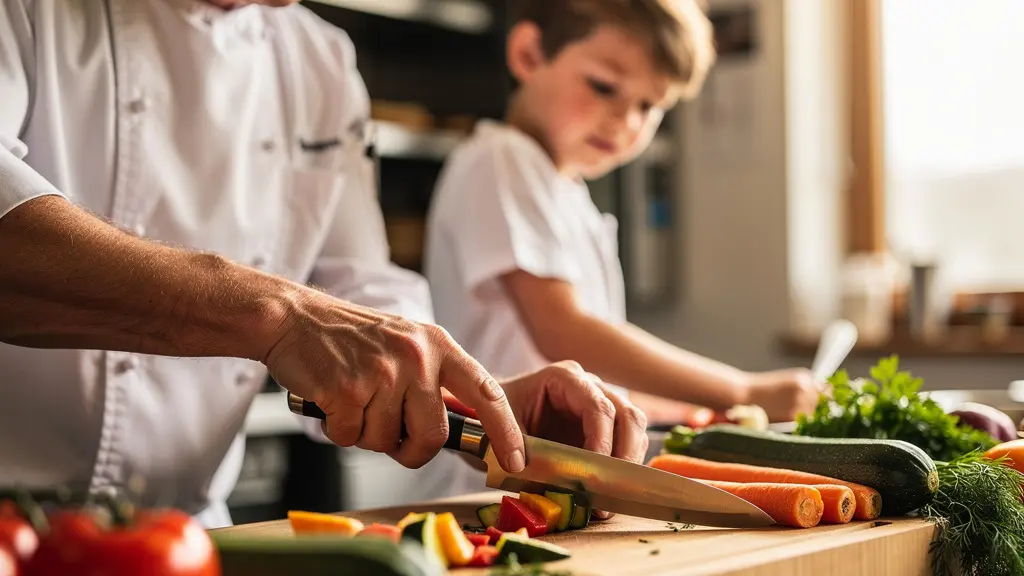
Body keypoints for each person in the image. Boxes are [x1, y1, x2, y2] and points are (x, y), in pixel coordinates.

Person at [0, 0, 647, 528]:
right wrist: (277, 316)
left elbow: (357, 283)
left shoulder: (318, 57)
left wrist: (471, 399)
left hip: (184, 533)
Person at [424, 0, 822, 438]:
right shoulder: (501, 160)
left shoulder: (568, 193)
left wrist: (699, 413)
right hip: (487, 474)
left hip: (546, 475)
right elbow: (565, 333)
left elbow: (601, 378)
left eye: (649, 106)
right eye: (605, 87)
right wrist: (741, 390)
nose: (626, 121)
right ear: (529, 55)